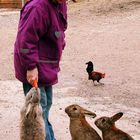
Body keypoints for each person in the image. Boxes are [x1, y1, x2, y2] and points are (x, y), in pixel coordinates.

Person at [14, 0, 67, 139]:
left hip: (47, 65)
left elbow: (60, 28)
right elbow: (25, 41)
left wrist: (61, 43)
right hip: (34, 68)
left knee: (46, 105)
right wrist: (30, 67)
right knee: (38, 112)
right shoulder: (36, 8)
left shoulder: (60, 4)